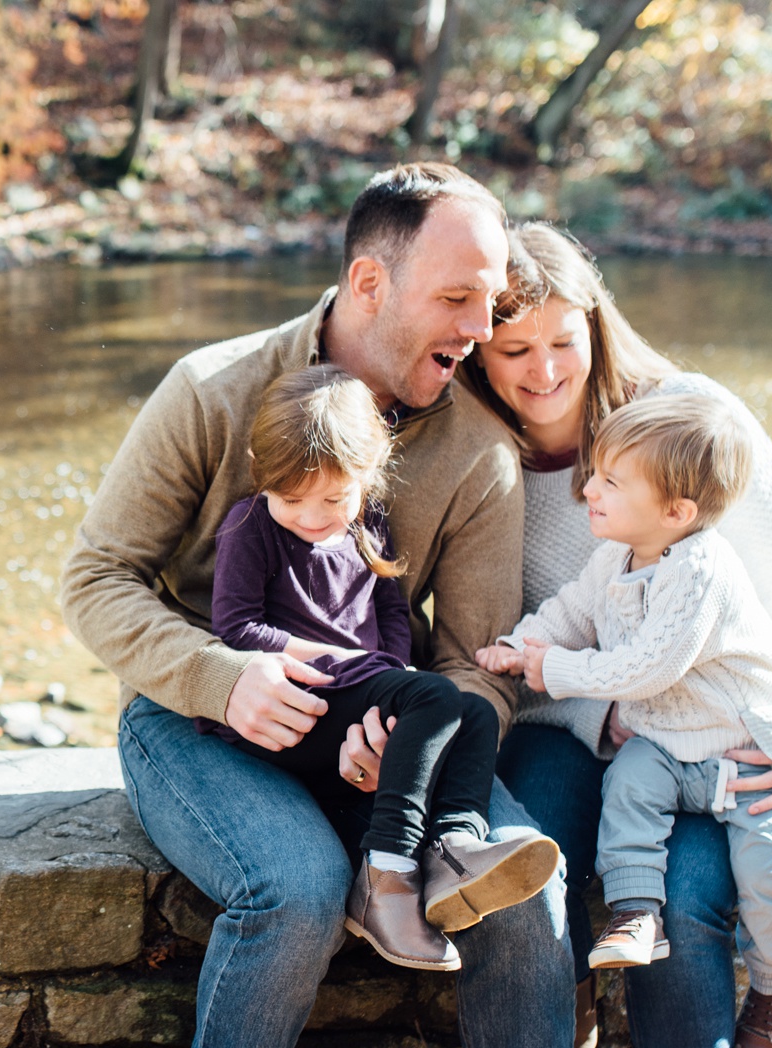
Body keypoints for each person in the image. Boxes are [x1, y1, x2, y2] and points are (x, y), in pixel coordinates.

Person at [60, 164, 624, 1048]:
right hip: (198, 719)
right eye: (461, 300)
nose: (484, 330)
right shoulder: (213, 389)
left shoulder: (472, 446)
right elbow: (95, 579)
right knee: (294, 889)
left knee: (527, 886)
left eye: (494, 302)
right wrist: (223, 675)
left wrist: (395, 720)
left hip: (380, 734)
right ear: (369, 281)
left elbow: (476, 657)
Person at [443, 221, 772, 1048]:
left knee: (680, 903)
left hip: (709, 740)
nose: (537, 372)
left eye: (556, 342)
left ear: (595, 320)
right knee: (544, 872)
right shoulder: (480, 457)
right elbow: (505, 636)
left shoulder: (689, 428)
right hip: (562, 729)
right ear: (477, 350)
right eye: (507, 349)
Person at [476, 389, 772, 1048]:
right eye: (595, 472)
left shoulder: (701, 569)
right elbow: (570, 611)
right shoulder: (619, 554)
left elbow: (647, 669)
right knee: (629, 788)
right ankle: (636, 912)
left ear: (677, 511)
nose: (590, 489)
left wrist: (555, 671)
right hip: (665, 746)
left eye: (611, 480)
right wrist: (523, 646)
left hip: (739, 751)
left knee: (765, 876)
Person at [211, 364, 558, 969]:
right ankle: (389, 870)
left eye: (333, 498)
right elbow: (236, 627)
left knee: (472, 709)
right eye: (292, 499)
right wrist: (332, 659)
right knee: (436, 700)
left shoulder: (369, 524)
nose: (314, 516)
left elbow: (393, 612)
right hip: (299, 699)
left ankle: (456, 845)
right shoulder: (249, 527)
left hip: (366, 686)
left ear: (368, 475)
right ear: (260, 472)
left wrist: (390, 675)